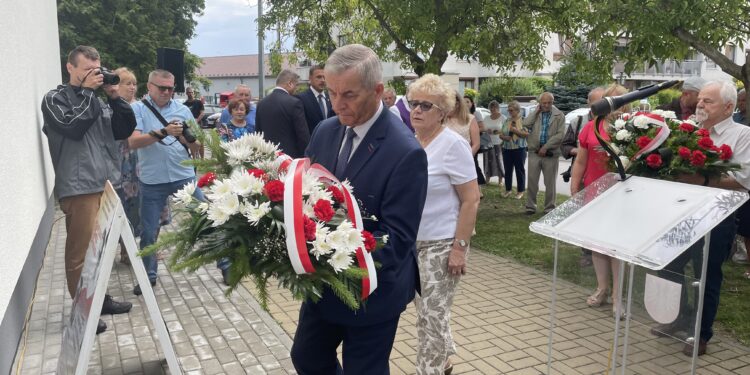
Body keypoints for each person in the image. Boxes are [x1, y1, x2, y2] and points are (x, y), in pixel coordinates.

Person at [291, 44, 428, 375]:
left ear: (378, 91)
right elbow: (306, 195)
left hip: (373, 291)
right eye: (332, 91)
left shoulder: (405, 151)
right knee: (306, 357)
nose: (338, 103)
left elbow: (397, 239)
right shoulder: (326, 130)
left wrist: (331, 255)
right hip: (323, 284)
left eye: (349, 94)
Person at [41, 45, 134, 334]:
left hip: (105, 182)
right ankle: (83, 312)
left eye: (98, 69)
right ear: (70, 68)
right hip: (79, 186)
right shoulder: (55, 99)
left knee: (102, 250)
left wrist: (114, 97)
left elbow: (123, 130)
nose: (95, 75)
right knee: (81, 253)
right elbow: (74, 126)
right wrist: (88, 92)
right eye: (87, 70)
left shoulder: (98, 100)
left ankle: (100, 300)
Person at [653, 80, 750, 356]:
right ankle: (678, 317)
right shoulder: (687, 131)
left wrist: (701, 178)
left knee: (706, 274)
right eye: (700, 100)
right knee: (667, 266)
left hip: (716, 218)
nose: (700, 104)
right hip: (681, 213)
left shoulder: (743, 136)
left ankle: (700, 333)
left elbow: (744, 180)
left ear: (729, 107)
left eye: (708, 101)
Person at [408, 74, 480, 375]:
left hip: (441, 243)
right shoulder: (411, 142)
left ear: (443, 112)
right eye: (413, 103)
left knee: (432, 316)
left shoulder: (453, 145)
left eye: (426, 105)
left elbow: (471, 199)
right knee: (428, 312)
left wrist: (459, 249)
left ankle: (430, 370)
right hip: (413, 245)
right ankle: (444, 359)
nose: (417, 110)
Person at [128, 69, 205, 296]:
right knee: (149, 233)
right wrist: (163, 131)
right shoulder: (138, 109)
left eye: (171, 88)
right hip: (152, 181)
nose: (166, 92)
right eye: (162, 87)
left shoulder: (183, 110)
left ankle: (226, 266)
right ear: (149, 86)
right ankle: (148, 276)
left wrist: (186, 138)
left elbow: (196, 145)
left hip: (184, 176)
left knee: (206, 220)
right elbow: (133, 142)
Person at [569, 84, 630, 318]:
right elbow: (581, 161)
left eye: (620, 99)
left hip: (622, 194)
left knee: (616, 247)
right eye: (611, 99)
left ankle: (617, 296)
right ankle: (602, 288)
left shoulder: (635, 126)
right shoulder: (591, 127)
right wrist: (575, 184)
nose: (615, 104)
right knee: (598, 245)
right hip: (595, 192)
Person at [560, 87, 605, 267]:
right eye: (595, 102)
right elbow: (565, 146)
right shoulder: (579, 122)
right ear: (589, 103)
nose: (598, 106)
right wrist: (581, 151)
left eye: (601, 101)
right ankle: (587, 253)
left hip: (603, 179)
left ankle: (603, 253)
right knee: (585, 216)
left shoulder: (613, 122)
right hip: (584, 177)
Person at [523, 92, 565, 215]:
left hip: (551, 154)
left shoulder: (559, 115)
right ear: (540, 103)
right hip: (534, 152)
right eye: (544, 103)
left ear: (553, 102)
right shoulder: (536, 113)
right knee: (532, 181)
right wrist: (535, 112)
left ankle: (549, 208)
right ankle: (530, 206)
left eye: (549, 102)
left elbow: (560, 135)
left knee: (550, 183)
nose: (546, 105)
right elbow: (525, 124)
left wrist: (546, 147)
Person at [255, 69, 310, 158]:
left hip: (268, 158)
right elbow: (303, 136)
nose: (297, 89)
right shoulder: (295, 103)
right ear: (290, 83)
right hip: (289, 159)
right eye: (296, 85)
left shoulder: (261, 104)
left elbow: (258, 134)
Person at [498, 101, 527, 199]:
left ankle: (520, 191)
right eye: (508, 110)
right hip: (507, 148)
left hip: (519, 149)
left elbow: (526, 134)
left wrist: (515, 131)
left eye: (511, 110)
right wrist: (503, 137)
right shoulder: (507, 120)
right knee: (508, 170)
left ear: (517, 110)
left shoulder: (523, 120)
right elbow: (501, 133)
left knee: (519, 170)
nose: (509, 112)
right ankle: (508, 189)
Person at [296, 64, 335, 134]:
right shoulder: (301, 98)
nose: (323, 80)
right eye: (319, 77)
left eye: (324, 77)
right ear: (310, 79)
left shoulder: (331, 96)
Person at [464, 96, 488, 187]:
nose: (465, 103)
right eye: (464, 102)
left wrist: (471, 130)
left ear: (472, 103)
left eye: (467, 101)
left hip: (473, 143)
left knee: (473, 163)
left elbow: (483, 127)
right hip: (464, 143)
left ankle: (479, 184)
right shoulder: (461, 114)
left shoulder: (475, 113)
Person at [482, 100, 505, 185]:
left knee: (499, 161)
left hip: (499, 142)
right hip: (488, 142)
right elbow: (483, 128)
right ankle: (487, 178)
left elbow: (506, 130)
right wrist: (486, 130)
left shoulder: (503, 117)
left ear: (498, 108)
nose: (493, 109)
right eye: (491, 107)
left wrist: (498, 131)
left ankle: (500, 180)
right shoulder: (486, 118)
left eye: (495, 107)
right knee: (488, 160)